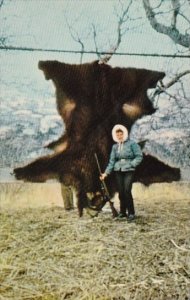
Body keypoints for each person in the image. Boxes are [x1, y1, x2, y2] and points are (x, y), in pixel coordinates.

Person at [100, 124, 143, 222]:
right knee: (121, 192)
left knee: (127, 190)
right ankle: (123, 212)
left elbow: (139, 156)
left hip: (129, 170)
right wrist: (105, 173)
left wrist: (132, 164)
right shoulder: (115, 147)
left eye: (121, 134)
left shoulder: (132, 144)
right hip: (118, 170)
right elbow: (112, 161)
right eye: (118, 135)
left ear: (125, 134)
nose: (120, 136)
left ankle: (131, 213)